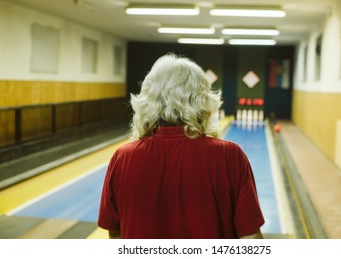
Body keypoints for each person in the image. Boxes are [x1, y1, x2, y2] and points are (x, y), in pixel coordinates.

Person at [98, 53, 265, 239]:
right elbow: (251, 239)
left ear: (147, 100)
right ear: (203, 101)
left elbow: (115, 234)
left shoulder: (122, 158)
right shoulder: (230, 155)